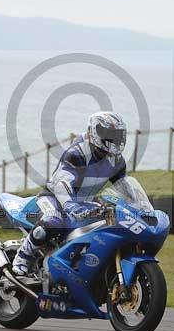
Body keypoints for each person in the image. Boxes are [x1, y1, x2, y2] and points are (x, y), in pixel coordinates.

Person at [12, 111, 149, 275]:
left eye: (117, 135)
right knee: (53, 220)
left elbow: (124, 186)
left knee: (107, 224)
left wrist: (140, 207)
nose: (114, 139)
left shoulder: (116, 161)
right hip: (54, 197)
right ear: (96, 132)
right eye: (110, 134)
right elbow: (62, 183)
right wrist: (71, 206)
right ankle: (23, 256)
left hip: (84, 202)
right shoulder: (77, 153)